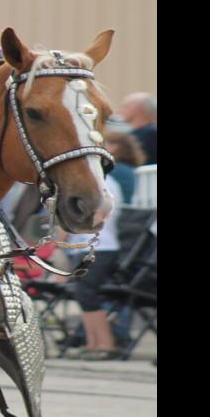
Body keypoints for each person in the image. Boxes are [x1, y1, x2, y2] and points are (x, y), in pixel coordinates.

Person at [73, 132, 148, 360]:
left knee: (89, 295)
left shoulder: (107, 182)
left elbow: (101, 215)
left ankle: (105, 343)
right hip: (88, 246)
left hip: (101, 246)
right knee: (85, 295)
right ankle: (93, 343)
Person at [120, 92, 157, 166]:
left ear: (138, 109)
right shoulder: (142, 133)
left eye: (125, 106)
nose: (121, 110)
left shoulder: (151, 134)